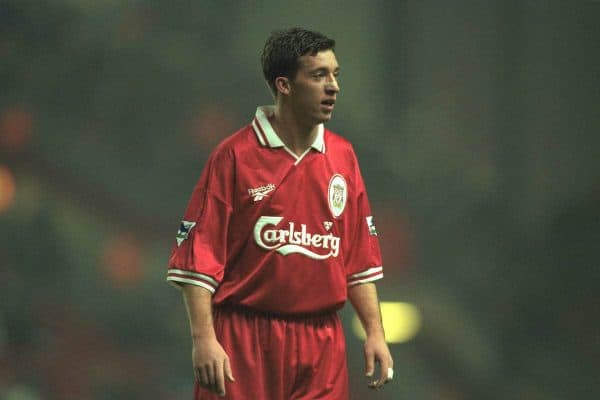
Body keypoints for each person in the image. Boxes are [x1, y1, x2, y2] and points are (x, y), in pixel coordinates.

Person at [167, 27, 393, 399]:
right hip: (245, 338)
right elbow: (198, 261)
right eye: (319, 75)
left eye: (335, 74)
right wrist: (204, 340)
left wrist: (375, 333)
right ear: (284, 85)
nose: (333, 86)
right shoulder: (234, 155)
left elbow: (358, 261)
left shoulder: (343, 157)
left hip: (322, 342)